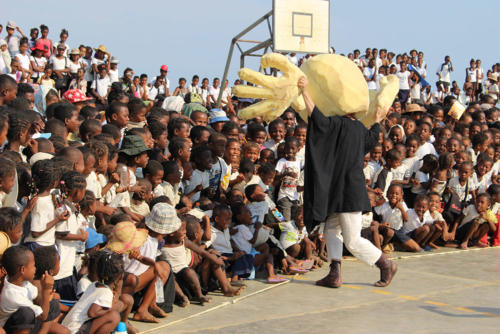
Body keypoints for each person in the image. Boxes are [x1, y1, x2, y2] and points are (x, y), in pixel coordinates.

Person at [299, 75, 397, 288]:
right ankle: (335, 274)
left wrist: (305, 91)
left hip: (346, 191)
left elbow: (315, 117)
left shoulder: (336, 124)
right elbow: (372, 140)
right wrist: (378, 119)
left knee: (352, 240)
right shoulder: (360, 128)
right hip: (344, 190)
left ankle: (385, 264)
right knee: (331, 230)